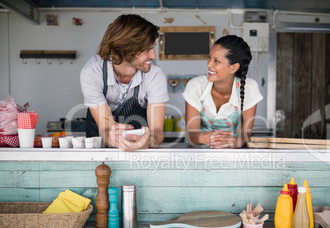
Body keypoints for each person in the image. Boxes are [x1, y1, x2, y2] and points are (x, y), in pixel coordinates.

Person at [80, 14, 168, 151]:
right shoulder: (92, 72)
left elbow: (157, 132)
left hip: (139, 153)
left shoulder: (155, 75)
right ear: (124, 50)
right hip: (99, 153)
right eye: (147, 50)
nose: (153, 56)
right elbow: (105, 130)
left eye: (153, 48)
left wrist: (148, 141)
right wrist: (117, 140)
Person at [183, 35, 263, 148]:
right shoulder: (195, 86)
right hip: (198, 154)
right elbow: (191, 134)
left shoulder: (249, 88)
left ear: (234, 67)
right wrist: (205, 138)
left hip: (233, 154)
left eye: (216, 61)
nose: (209, 64)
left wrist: (234, 142)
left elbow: (246, 134)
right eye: (209, 58)